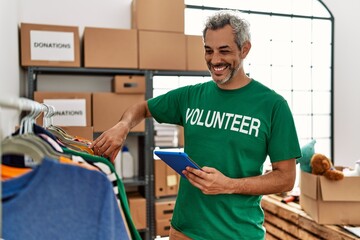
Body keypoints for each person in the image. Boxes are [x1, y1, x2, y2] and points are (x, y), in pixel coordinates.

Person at [90, 10, 301, 240]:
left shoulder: (272, 105)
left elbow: (286, 178)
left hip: (239, 234)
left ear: (245, 49)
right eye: (208, 51)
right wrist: (123, 126)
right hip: (184, 232)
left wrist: (229, 185)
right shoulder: (191, 96)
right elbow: (142, 108)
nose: (215, 60)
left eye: (224, 51)